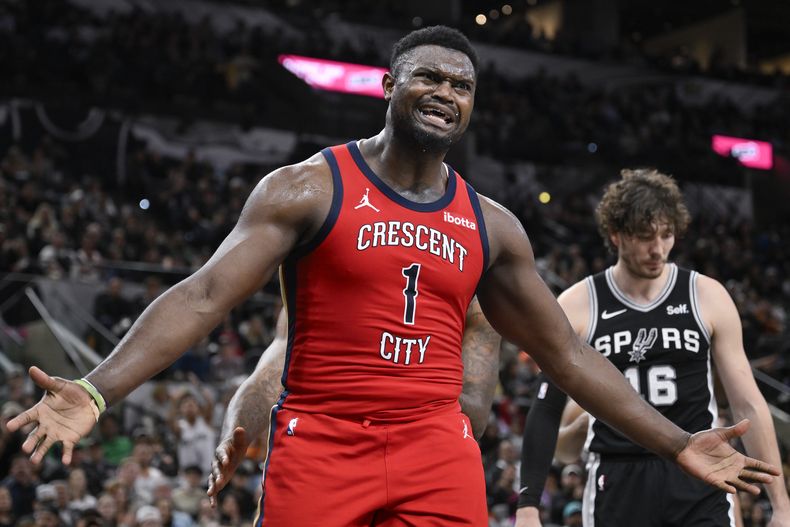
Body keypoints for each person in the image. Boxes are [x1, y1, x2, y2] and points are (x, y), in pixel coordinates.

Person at [8, 26, 779, 526]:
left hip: (433, 447)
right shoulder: (306, 187)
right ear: (387, 85)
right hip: (321, 441)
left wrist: (680, 443)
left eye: (463, 85)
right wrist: (98, 389)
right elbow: (205, 294)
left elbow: (566, 355)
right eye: (429, 77)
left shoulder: (492, 224)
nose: (446, 92)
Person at [515, 169, 790, 526]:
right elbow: (546, 406)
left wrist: (781, 505)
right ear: (615, 234)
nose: (658, 249)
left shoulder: (706, 295)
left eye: (666, 235)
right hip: (619, 475)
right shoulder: (579, 303)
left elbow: (748, 402)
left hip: (701, 469)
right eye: (645, 237)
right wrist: (528, 505)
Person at [205, 299, 501, 506]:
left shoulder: (475, 296)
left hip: (424, 463)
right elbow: (273, 370)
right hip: (329, 455)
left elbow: (474, 415)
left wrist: (381, 374)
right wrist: (234, 431)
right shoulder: (324, 269)